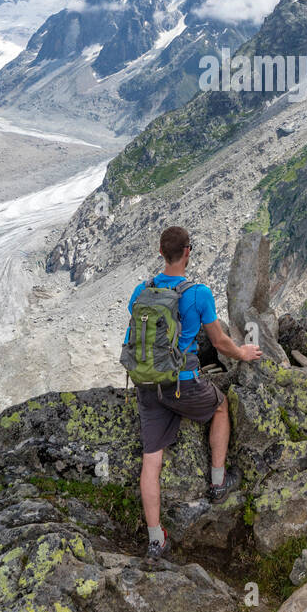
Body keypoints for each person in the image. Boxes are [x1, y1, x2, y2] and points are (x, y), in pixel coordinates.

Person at [127, 225, 262, 559]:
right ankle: (217, 483)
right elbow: (219, 342)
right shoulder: (198, 293)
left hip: (147, 383)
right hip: (182, 382)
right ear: (187, 252)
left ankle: (156, 540)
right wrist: (243, 352)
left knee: (151, 460)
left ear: (161, 252)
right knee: (219, 408)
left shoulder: (141, 291)